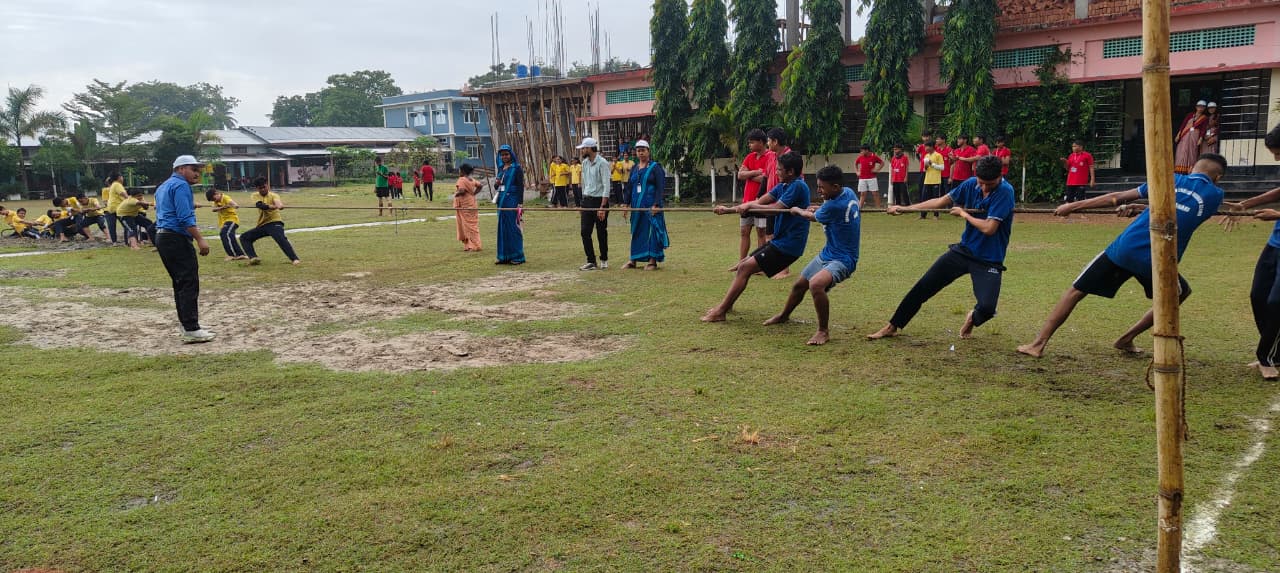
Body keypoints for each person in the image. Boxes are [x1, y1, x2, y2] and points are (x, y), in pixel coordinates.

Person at [1017, 153, 1228, 358]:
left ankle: (1037, 344)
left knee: (1076, 291)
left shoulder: (1168, 179)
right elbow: (1182, 210)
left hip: (1125, 249)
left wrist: (1072, 205)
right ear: (1217, 178)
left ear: (1192, 168)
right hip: (1158, 260)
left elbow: (1115, 198)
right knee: (1178, 296)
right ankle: (1126, 338)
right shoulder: (1215, 195)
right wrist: (1144, 208)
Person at [868, 156, 1015, 340]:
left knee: (987, 308)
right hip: (964, 250)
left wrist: (963, 214)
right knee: (923, 287)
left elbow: (989, 228)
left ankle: (972, 318)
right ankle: (892, 325)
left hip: (988, 259)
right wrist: (905, 208)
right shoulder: (970, 184)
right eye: (981, 183)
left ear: (999, 177)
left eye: (990, 184)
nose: (984, 188)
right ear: (976, 176)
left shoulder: (1005, 192)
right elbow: (939, 202)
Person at [703, 152, 810, 322]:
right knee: (742, 265)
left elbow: (774, 208)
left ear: (790, 171)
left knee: (745, 268)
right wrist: (728, 210)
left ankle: (721, 311)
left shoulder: (798, 186)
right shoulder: (783, 186)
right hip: (779, 242)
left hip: (789, 246)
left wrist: (750, 207)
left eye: (779, 170)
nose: (776, 172)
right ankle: (726, 306)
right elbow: (759, 201)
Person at [762, 165, 861, 346]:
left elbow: (810, 217)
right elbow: (826, 210)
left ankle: (823, 331)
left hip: (844, 259)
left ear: (835, 187)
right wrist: (818, 207)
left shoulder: (834, 205)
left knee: (816, 284)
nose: (819, 190)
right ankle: (784, 315)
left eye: (822, 188)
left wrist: (797, 210)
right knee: (800, 285)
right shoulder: (847, 192)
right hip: (828, 253)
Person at [1222, 127, 1280, 378]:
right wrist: (1245, 204)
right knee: (1258, 296)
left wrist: (1277, 215)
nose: (1277, 159)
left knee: (1277, 302)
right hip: (1275, 244)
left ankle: (1267, 357)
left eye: (1278, 153)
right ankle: (1273, 353)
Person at [154, 155, 215, 343]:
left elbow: (166, 209)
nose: (197, 173)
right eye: (193, 169)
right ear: (181, 169)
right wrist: (200, 239)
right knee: (188, 281)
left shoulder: (163, 186)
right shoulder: (181, 186)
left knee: (179, 282)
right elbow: (184, 218)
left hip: (162, 237)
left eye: (198, 170)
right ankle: (191, 327)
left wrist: (188, 204)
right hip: (176, 237)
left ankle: (186, 324)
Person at [624, 140, 669, 270]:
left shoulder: (655, 167)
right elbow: (629, 187)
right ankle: (633, 260)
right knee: (636, 231)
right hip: (636, 207)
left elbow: (660, 188)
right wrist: (625, 204)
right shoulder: (634, 168)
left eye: (643, 150)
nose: (641, 152)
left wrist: (656, 204)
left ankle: (652, 261)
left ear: (648, 151)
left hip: (651, 207)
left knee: (652, 232)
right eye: (638, 150)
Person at [239, 176, 300, 266]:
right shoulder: (255, 195)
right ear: (257, 188)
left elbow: (278, 202)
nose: (263, 189)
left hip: (274, 222)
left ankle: (294, 259)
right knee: (244, 237)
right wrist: (271, 206)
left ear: (267, 185)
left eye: (264, 187)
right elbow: (260, 205)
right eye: (261, 188)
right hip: (262, 225)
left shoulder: (274, 195)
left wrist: (280, 205)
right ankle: (253, 258)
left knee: (280, 239)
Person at [735, 129, 770, 269]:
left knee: (761, 232)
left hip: (761, 201)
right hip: (746, 202)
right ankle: (742, 262)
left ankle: (759, 265)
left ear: (761, 142)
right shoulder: (750, 157)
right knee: (744, 231)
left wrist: (748, 175)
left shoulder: (770, 157)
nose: (749, 145)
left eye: (752, 142)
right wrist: (755, 172)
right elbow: (740, 175)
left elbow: (766, 178)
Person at [763, 127, 795, 278]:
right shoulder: (770, 156)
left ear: (775, 141)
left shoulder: (790, 157)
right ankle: (772, 266)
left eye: (769, 140)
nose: (767, 143)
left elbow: (797, 180)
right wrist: (760, 199)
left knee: (781, 235)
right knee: (769, 235)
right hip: (771, 203)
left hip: (783, 203)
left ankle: (784, 270)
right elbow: (766, 176)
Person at [576, 137, 612, 270]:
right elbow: (584, 183)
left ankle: (604, 258)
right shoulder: (584, 163)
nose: (582, 151)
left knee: (601, 231)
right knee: (585, 232)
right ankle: (591, 261)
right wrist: (582, 202)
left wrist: (602, 207)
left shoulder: (603, 163)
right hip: (587, 200)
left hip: (599, 201)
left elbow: (606, 186)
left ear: (591, 148)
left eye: (584, 148)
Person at [494, 144, 526, 265]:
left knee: (513, 227)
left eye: (506, 154)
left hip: (512, 199)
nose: (504, 157)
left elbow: (520, 186)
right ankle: (504, 256)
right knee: (502, 227)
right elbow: (497, 186)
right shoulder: (501, 168)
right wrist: (496, 183)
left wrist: (520, 203)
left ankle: (517, 256)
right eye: (502, 155)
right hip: (501, 200)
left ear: (511, 154)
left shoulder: (516, 168)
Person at [206, 188, 246, 260]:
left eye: (213, 199)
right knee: (231, 236)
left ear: (216, 193)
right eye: (212, 200)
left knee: (224, 234)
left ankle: (231, 255)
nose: (214, 201)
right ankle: (240, 254)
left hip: (232, 220)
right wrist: (223, 207)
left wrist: (235, 205)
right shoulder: (216, 201)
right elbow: (213, 209)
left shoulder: (225, 197)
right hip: (224, 222)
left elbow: (232, 203)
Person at [454, 163, 484, 252]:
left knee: (469, 226)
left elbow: (462, 190)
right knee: (469, 225)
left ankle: (476, 245)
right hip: (472, 203)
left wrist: (456, 194)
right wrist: (473, 194)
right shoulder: (472, 179)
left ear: (463, 171)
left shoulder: (461, 179)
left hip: (465, 205)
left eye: (459, 170)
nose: (459, 172)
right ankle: (469, 245)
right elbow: (480, 186)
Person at [1175, 101, 1209, 174]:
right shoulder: (1190, 115)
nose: (1200, 108)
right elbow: (1183, 125)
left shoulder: (1205, 118)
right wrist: (1178, 134)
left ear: (1204, 108)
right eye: (1199, 106)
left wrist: (1200, 138)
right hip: (1185, 135)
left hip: (1195, 136)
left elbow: (1203, 129)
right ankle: (1180, 169)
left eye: (1202, 107)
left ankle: (1190, 169)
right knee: (1182, 150)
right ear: (1196, 107)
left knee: (1192, 151)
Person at [919, 142, 945, 220]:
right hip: (927, 180)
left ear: (932, 147)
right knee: (924, 198)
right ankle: (923, 215)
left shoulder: (938, 155)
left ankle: (936, 215)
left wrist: (932, 164)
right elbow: (925, 169)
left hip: (935, 180)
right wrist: (926, 167)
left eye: (927, 147)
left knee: (935, 199)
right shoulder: (926, 156)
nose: (925, 149)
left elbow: (942, 167)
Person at [855, 144, 884, 209]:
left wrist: (877, 170)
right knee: (862, 194)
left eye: (862, 151)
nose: (861, 152)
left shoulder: (874, 156)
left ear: (867, 150)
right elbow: (856, 163)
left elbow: (882, 163)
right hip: (862, 178)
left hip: (872, 178)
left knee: (875, 193)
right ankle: (860, 209)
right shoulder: (860, 157)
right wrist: (857, 171)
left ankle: (878, 208)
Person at [104, 172, 129, 244]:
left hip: (111, 208)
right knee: (127, 225)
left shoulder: (113, 185)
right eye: (122, 176)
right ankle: (127, 241)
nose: (122, 178)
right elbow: (124, 194)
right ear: (119, 177)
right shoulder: (117, 184)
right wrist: (130, 200)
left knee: (112, 226)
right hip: (118, 208)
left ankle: (114, 242)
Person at [916, 131, 933, 206]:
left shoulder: (933, 146)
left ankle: (931, 204)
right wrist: (921, 161)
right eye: (924, 136)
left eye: (927, 136)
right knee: (921, 187)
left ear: (930, 137)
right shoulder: (921, 146)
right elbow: (917, 154)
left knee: (930, 188)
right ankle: (921, 204)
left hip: (932, 170)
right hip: (922, 170)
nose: (925, 138)